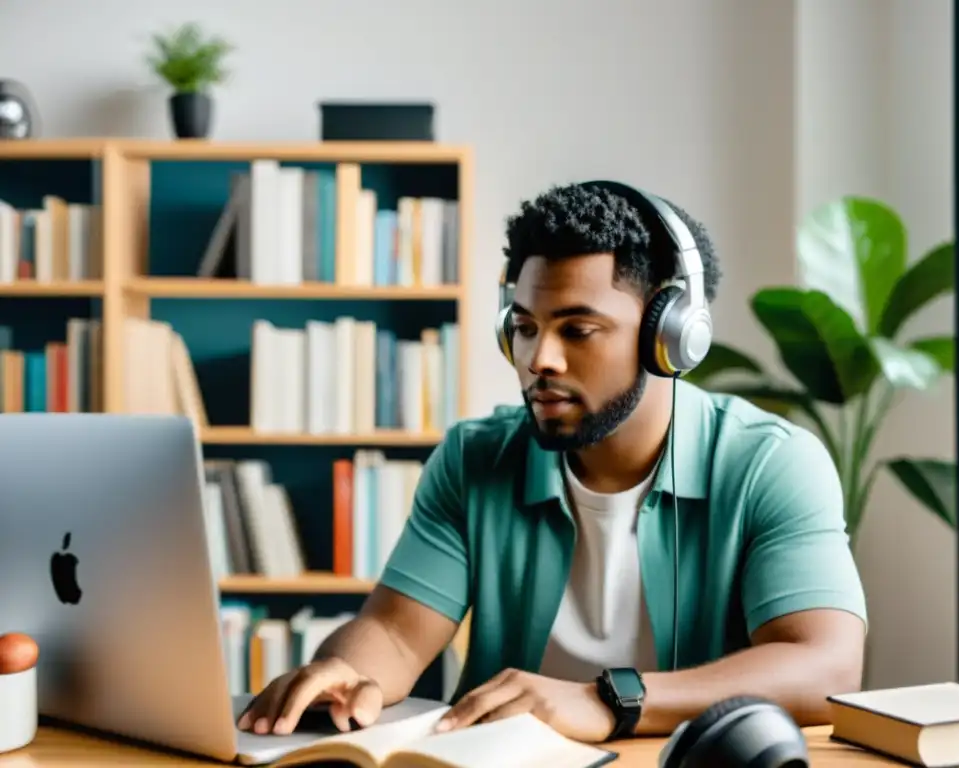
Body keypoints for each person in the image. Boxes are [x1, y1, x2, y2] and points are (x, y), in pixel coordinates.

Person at [237, 181, 868, 744]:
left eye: (578, 329)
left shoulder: (770, 464)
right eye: (526, 326)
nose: (540, 359)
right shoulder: (474, 457)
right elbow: (398, 636)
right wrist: (349, 671)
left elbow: (825, 665)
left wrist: (609, 701)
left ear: (669, 336)